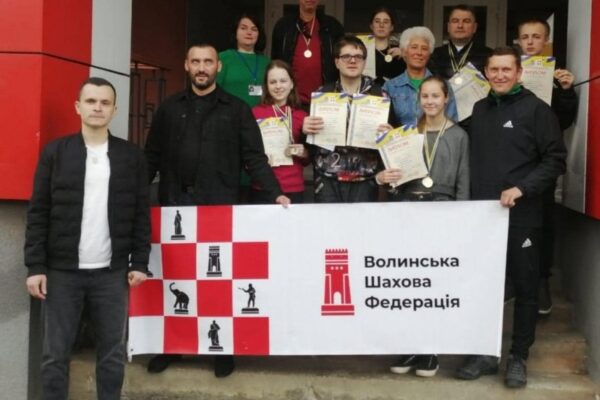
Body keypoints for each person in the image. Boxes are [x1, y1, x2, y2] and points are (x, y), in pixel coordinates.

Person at [144, 43, 290, 377]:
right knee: (176, 278)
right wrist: (136, 192)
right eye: (195, 61)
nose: (202, 67)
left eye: (208, 62)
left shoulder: (237, 110)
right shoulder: (168, 108)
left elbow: (254, 158)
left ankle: (222, 349)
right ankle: (173, 346)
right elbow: (151, 156)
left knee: (218, 281)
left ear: (218, 67)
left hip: (219, 208)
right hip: (175, 206)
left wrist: (276, 194)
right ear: (186, 65)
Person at [24, 77, 150, 400]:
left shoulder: (131, 156)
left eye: (105, 102)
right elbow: (38, 211)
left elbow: (140, 213)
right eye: (91, 101)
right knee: (54, 355)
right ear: (78, 107)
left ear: (115, 110)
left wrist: (140, 261)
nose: (98, 108)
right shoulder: (56, 153)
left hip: (111, 273)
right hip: (62, 272)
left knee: (112, 354)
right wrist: (36, 266)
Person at [456, 47, 566, 388]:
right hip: (483, 217)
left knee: (526, 285)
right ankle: (485, 355)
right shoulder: (480, 109)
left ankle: (518, 356)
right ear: (486, 74)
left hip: (523, 215)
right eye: (494, 70)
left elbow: (555, 159)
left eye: (507, 69)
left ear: (519, 73)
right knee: (485, 286)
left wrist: (522, 188)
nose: (500, 75)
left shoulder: (537, 110)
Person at [376, 75, 469, 377]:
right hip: (409, 210)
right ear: (419, 100)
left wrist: (461, 218)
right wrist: (385, 178)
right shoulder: (406, 133)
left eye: (435, 96)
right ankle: (409, 346)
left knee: (434, 283)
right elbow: (395, 181)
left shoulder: (459, 136)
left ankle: (430, 349)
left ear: (446, 98)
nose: (430, 101)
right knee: (409, 281)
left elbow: (463, 181)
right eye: (425, 96)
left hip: (443, 211)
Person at [516, 18, 578, 315]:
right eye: (525, 37)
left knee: (543, 223)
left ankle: (541, 282)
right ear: (518, 41)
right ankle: (510, 283)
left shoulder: (555, 76)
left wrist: (565, 91)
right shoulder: (507, 73)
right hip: (512, 159)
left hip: (541, 163)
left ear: (545, 41)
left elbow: (564, 121)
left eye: (536, 37)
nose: (530, 41)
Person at [303, 35, 391, 203]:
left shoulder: (380, 95)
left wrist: (389, 134)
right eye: (346, 56)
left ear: (364, 62)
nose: (352, 61)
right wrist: (305, 130)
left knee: (362, 221)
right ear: (337, 62)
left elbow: (390, 138)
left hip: (365, 178)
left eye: (358, 57)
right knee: (326, 220)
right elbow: (309, 142)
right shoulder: (322, 94)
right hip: (327, 177)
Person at [252, 60, 309, 203]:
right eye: (273, 82)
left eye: (283, 81)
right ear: (266, 86)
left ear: (291, 84)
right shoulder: (254, 113)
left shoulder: (303, 116)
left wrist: (303, 153)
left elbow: (309, 159)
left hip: (294, 186)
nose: (278, 86)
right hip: (263, 186)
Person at [271, 0, 344, 109]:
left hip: (326, 102)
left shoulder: (332, 26)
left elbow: (342, 61)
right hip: (290, 101)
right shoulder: (283, 26)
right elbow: (275, 63)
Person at [384, 26, 458, 126]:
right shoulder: (390, 87)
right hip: (400, 136)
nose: (419, 53)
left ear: (429, 54)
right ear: (404, 52)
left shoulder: (444, 86)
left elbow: (452, 124)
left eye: (424, 48)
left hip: (436, 136)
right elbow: (384, 124)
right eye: (414, 47)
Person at [217, 14, 270, 108]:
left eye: (254, 29)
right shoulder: (223, 58)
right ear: (235, 32)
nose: (249, 32)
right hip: (230, 114)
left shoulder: (267, 62)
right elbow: (212, 91)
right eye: (243, 28)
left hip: (261, 115)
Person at [429, 4, 492, 80]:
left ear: (474, 27)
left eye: (466, 21)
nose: (460, 26)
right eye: (455, 21)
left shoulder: (488, 55)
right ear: (448, 27)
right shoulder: (434, 55)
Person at [368, 7, 406, 86]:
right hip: (367, 92)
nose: (381, 25)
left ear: (391, 27)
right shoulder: (363, 49)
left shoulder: (400, 51)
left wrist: (405, 56)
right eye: (377, 21)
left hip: (394, 92)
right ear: (371, 26)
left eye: (386, 22)